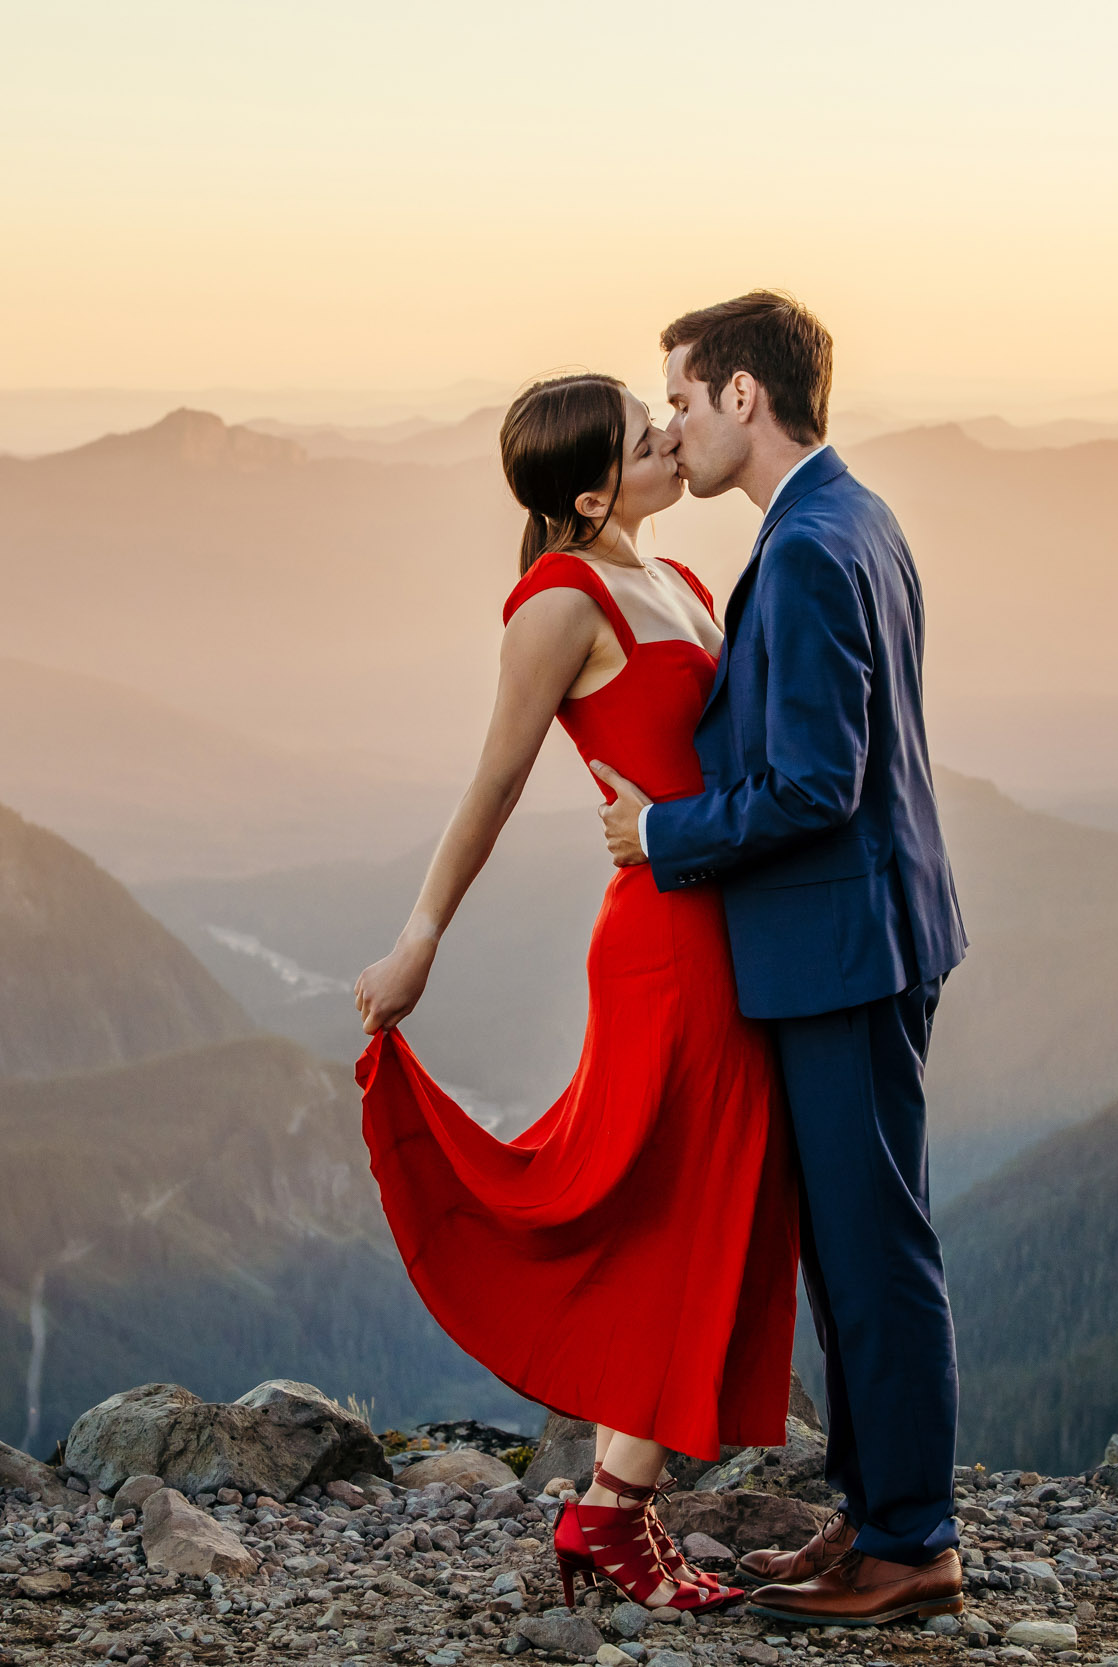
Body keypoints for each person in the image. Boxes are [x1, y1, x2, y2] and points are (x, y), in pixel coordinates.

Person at [353, 371, 795, 1615]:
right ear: (594, 492)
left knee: (702, 1197)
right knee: (679, 1203)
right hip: (665, 946)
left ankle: (612, 1503)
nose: (670, 440)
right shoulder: (560, 602)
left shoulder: (684, 583)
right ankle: (612, 1515)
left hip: (720, 924)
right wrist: (418, 940)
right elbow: (489, 786)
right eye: (644, 437)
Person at [591, 291, 969, 1627]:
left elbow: (818, 779)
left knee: (874, 1249)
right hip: (872, 926)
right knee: (857, 1241)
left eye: (683, 399)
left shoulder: (808, 546)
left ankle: (912, 1536)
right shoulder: (850, 514)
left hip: (842, 946)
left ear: (744, 396)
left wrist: (662, 831)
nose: (674, 427)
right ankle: (875, 1515)